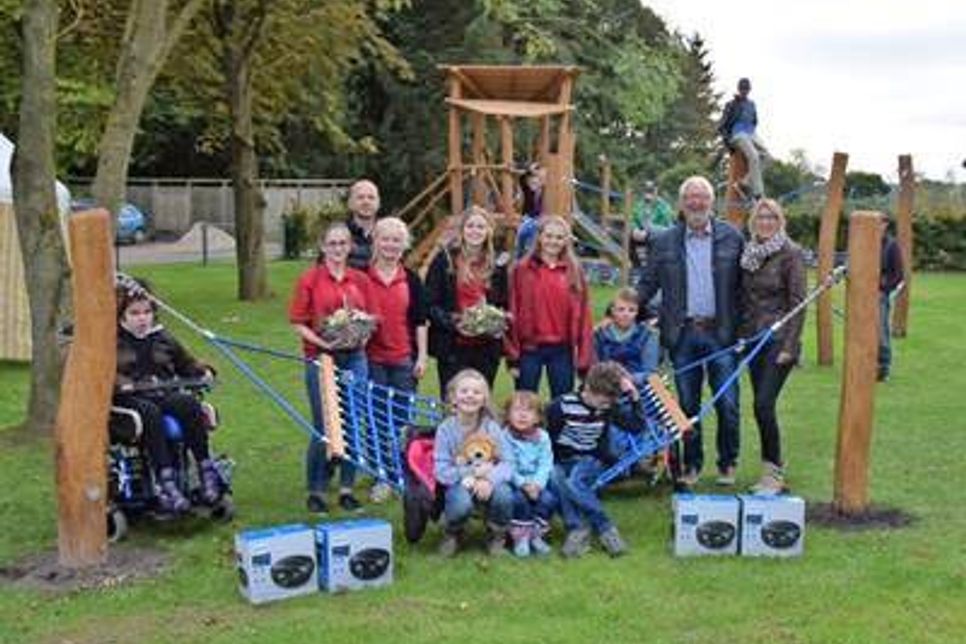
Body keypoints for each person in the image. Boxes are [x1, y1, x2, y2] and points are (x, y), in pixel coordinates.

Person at [637, 176, 744, 487]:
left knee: (728, 403)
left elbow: (746, 287)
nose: (696, 203)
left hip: (721, 334)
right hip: (682, 336)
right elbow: (647, 283)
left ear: (712, 202)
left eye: (702, 197)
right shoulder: (664, 241)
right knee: (686, 406)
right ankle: (692, 464)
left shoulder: (732, 238)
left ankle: (727, 463)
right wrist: (626, 311)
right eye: (690, 198)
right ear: (682, 203)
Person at [114, 280, 220, 514]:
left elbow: (187, 363)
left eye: (147, 312)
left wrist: (203, 372)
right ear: (122, 315)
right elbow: (105, 374)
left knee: (189, 404)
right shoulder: (111, 340)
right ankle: (166, 482)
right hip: (130, 400)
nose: (142, 319)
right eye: (134, 313)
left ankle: (206, 470)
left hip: (161, 393)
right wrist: (123, 384)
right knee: (151, 413)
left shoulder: (163, 337)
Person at [289, 221, 370, 515]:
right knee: (324, 426)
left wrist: (359, 333)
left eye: (343, 243)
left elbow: (370, 317)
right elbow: (298, 322)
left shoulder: (359, 279)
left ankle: (347, 489)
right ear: (323, 247)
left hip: (355, 357)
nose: (338, 249)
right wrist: (324, 343)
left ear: (350, 247)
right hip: (321, 358)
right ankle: (317, 489)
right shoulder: (309, 280)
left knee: (351, 423)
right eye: (332, 244)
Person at [738, 199, 806, 494]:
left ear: (780, 221)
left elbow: (798, 303)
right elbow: (745, 298)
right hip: (754, 340)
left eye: (771, 217)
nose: (765, 222)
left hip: (778, 341)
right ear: (753, 221)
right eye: (760, 217)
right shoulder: (750, 253)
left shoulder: (791, 254)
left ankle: (774, 472)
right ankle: (771, 467)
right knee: (761, 406)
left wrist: (790, 346)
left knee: (763, 404)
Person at [547, 361, 644, 558]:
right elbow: (548, 437)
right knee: (555, 477)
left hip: (593, 458)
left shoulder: (609, 407)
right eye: (602, 401)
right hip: (562, 458)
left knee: (575, 482)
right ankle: (579, 528)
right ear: (588, 388)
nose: (606, 406)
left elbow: (636, 426)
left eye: (611, 402)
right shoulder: (561, 406)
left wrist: (635, 398)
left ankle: (604, 528)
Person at [366, 216, 429, 501]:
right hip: (372, 359)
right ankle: (381, 477)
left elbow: (420, 321)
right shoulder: (362, 277)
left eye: (396, 240)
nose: (390, 245)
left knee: (403, 419)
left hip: (403, 357)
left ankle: (402, 471)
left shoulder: (411, 279)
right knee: (378, 419)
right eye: (385, 239)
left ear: (404, 245)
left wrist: (423, 357)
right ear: (375, 241)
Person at [507, 215, 594, 399]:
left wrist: (585, 357)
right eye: (549, 236)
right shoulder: (522, 269)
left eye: (559, 237)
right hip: (530, 348)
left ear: (566, 241)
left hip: (562, 349)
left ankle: (557, 429)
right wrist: (512, 356)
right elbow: (513, 310)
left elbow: (584, 316)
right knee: (525, 402)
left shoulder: (574, 270)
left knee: (563, 403)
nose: (553, 241)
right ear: (539, 237)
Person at [425, 206, 509, 392]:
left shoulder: (498, 264)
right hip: (453, 346)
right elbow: (429, 303)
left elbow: (505, 303)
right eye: (470, 226)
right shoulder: (444, 260)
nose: (475, 231)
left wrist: (494, 320)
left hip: (486, 348)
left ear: (489, 230)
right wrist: (454, 321)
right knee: (453, 400)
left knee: (480, 401)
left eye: (480, 226)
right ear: (462, 230)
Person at [433, 369, 515, 557]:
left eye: (476, 392)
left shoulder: (491, 427)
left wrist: (489, 480)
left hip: (489, 480)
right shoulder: (445, 430)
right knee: (460, 503)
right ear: (453, 398)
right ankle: (453, 532)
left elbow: (508, 463)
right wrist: (472, 472)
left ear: (484, 399)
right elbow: (441, 471)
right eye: (464, 391)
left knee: (504, 495)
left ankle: (497, 535)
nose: (470, 396)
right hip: (458, 483)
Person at [503, 391, 555, 558]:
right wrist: (524, 484)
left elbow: (545, 463)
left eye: (529, 411)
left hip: (537, 482)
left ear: (538, 418)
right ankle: (520, 537)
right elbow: (507, 465)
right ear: (508, 415)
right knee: (519, 500)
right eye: (517, 410)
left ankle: (536, 535)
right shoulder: (505, 436)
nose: (522, 415)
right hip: (515, 481)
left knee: (548, 500)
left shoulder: (543, 437)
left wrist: (538, 484)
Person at [718, 78, 769, 200]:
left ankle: (744, 183)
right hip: (738, 133)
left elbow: (755, 121)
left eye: (746, 89)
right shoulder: (731, 104)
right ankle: (758, 193)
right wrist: (728, 143)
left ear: (749, 90)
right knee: (754, 156)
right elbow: (722, 126)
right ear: (738, 89)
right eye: (742, 89)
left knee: (768, 157)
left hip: (751, 133)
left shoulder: (752, 105)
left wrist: (752, 135)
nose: (744, 91)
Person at [629, 180, 673, 287]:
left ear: (656, 192)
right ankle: (636, 271)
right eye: (646, 191)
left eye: (651, 192)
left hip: (657, 238)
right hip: (640, 237)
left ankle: (653, 276)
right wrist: (634, 229)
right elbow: (632, 219)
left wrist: (649, 232)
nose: (648, 195)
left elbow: (667, 225)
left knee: (654, 240)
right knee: (630, 238)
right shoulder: (639, 206)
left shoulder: (663, 207)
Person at [878, 214, 905, 382]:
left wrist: (884, 290)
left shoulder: (891, 245)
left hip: (881, 294)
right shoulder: (863, 242)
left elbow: (898, 275)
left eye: (879, 223)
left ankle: (884, 366)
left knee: (881, 331)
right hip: (861, 294)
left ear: (885, 225)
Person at [345, 179, 381, 270]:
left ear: (378, 203)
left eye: (371, 197)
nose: (366, 202)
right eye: (360, 197)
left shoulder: (390, 235)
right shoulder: (338, 234)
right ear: (350, 203)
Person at [514, 163, 546, 259]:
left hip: (539, 220)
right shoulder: (527, 190)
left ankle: (531, 254)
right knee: (523, 231)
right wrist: (531, 170)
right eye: (531, 182)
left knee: (533, 231)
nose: (533, 184)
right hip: (529, 218)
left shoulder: (545, 192)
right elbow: (522, 178)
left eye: (537, 182)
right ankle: (519, 255)